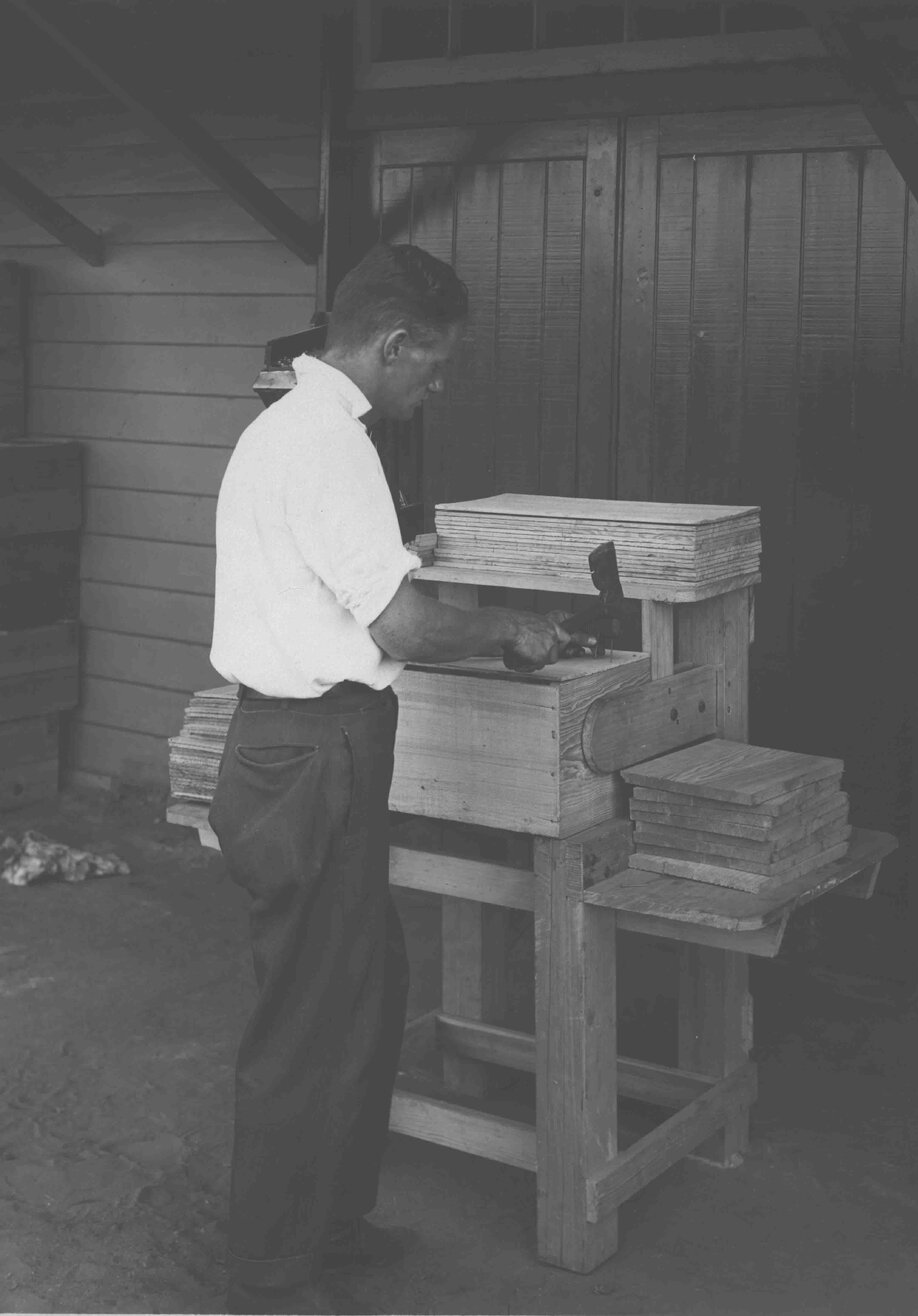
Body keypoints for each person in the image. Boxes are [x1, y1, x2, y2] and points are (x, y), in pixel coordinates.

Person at [208, 242, 575, 1315]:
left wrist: (398, 555)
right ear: (395, 342)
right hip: (311, 748)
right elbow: (402, 626)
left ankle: (326, 1225)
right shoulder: (329, 443)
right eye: (436, 363)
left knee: (364, 988)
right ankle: (271, 1265)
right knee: (312, 1011)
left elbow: (335, 578)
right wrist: (508, 628)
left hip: (305, 744)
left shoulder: (290, 428)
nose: (438, 385)